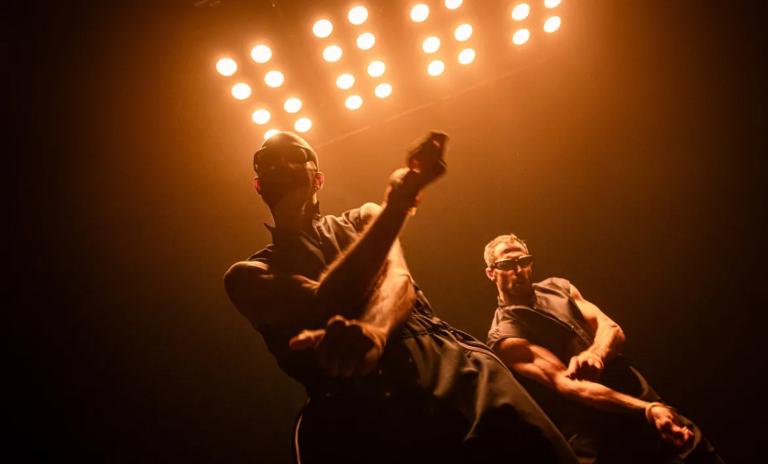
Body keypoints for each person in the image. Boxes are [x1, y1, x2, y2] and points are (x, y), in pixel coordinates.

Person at [224, 132, 579, 464]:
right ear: (258, 185)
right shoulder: (245, 275)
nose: (279, 165)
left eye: (294, 156)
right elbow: (324, 301)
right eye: (266, 161)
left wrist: (375, 332)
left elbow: (400, 281)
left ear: (318, 179)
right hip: (354, 418)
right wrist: (397, 206)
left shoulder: (365, 217)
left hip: (449, 368)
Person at [483, 233, 725, 464]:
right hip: (598, 431)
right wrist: (647, 410)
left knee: (700, 455)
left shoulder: (559, 287)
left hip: (640, 394)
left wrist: (595, 354)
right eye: (506, 263)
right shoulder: (504, 335)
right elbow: (568, 385)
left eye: (523, 260)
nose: (518, 269)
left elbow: (612, 329)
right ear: (491, 273)